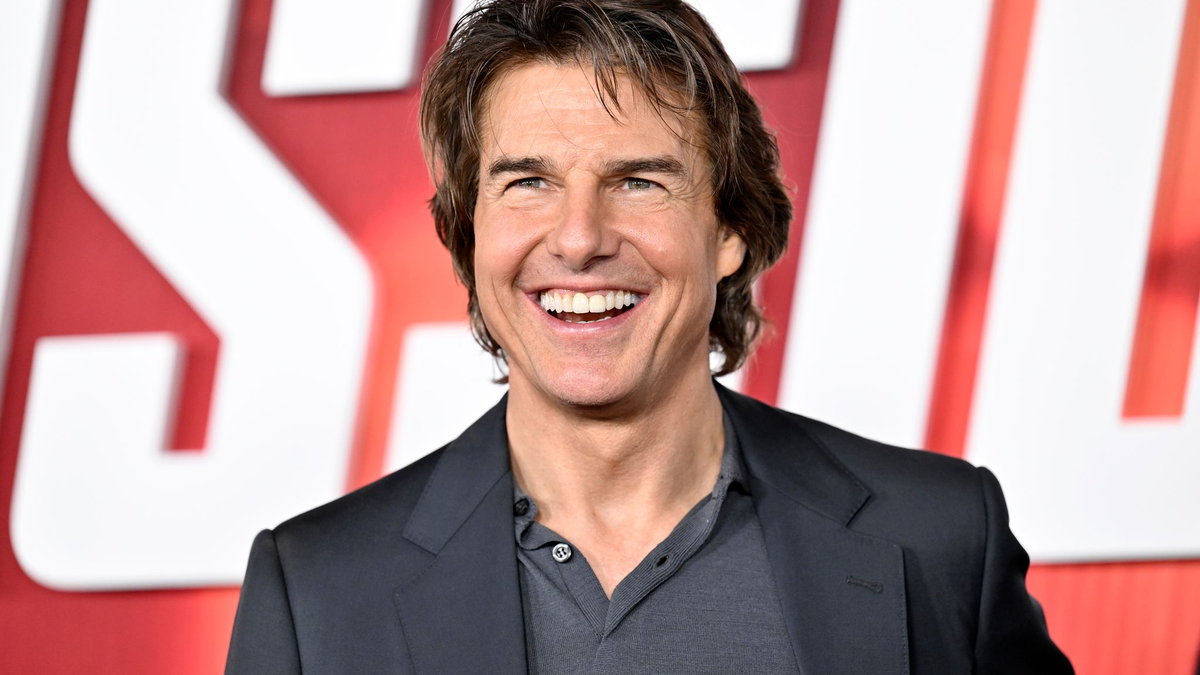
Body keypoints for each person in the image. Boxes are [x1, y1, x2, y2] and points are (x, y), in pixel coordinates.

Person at [224, 1, 1074, 673]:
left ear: (730, 229)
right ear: (469, 235)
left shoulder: (939, 539)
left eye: (637, 181)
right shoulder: (318, 594)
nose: (579, 238)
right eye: (528, 182)